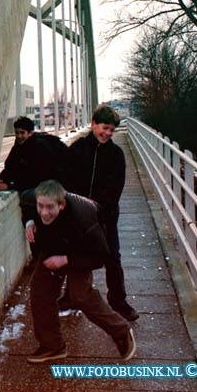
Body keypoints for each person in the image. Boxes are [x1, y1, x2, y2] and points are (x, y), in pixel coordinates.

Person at [23, 180, 136, 363]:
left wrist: (66, 260)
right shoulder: (31, 199)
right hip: (55, 240)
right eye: (40, 206)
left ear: (62, 204)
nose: (44, 212)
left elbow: (99, 257)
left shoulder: (83, 219)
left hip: (83, 247)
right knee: (40, 290)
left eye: (50, 207)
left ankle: (121, 331)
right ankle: (52, 346)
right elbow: (25, 203)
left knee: (80, 295)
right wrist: (29, 222)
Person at [64, 105, 138, 321]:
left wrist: (99, 210)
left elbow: (116, 188)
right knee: (75, 256)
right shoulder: (77, 150)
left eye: (111, 130)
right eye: (104, 128)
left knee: (112, 258)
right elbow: (66, 182)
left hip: (105, 217)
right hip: (78, 216)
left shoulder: (116, 154)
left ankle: (118, 301)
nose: (107, 133)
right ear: (93, 123)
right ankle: (70, 296)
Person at [0, 116, 67, 192]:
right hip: (37, 183)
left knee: (26, 196)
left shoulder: (40, 147)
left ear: (30, 133)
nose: (19, 136)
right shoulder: (19, 145)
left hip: (53, 187)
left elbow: (37, 177)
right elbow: (10, 166)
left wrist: (10, 184)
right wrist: (2, 179)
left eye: (22, 133)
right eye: (17, 132)